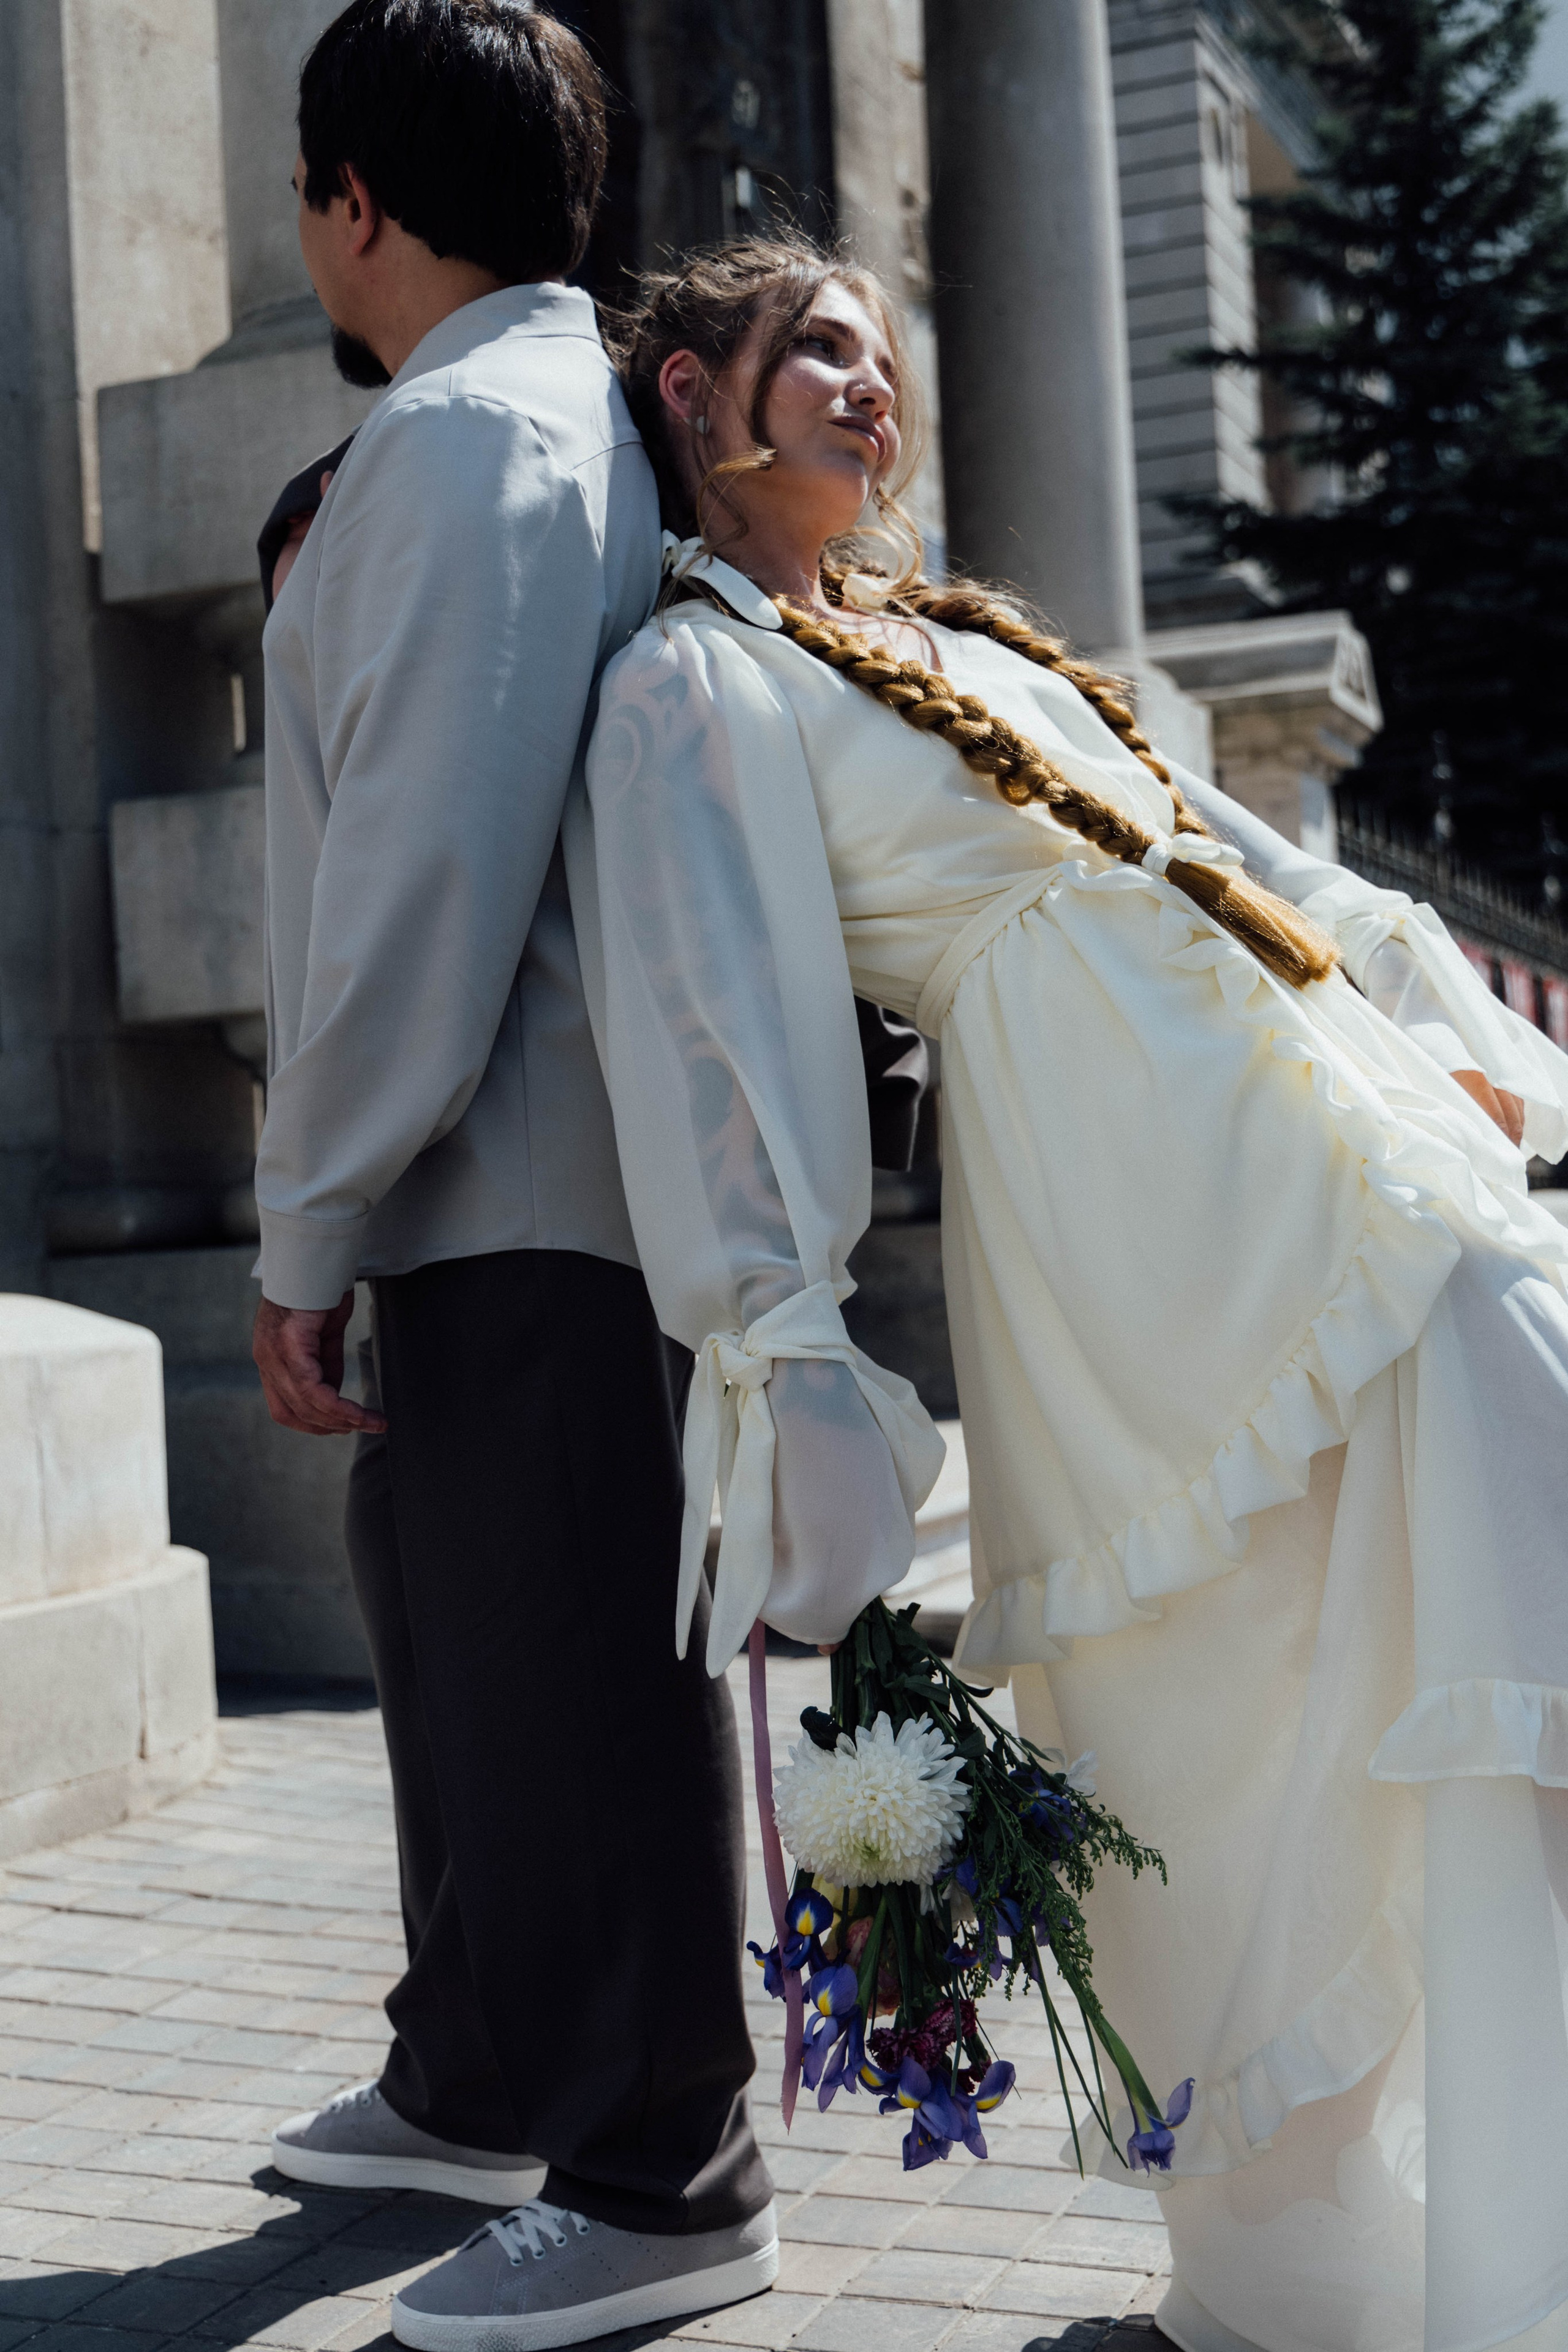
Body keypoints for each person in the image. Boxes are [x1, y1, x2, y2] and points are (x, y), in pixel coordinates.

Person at [565, 235, 1568, 2352]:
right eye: (818, 349)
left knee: (1440, 1550)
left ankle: (1364, 2211)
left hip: (1302, 1117)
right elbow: (716, 1034)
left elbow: (1225, 839)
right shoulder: (698, 681)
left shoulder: (964, 638)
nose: (870, 386)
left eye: (882, 355)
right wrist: (785, 1341)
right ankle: (1278, 2212)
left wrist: (1418, 992)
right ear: (689, 393)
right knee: (1265, 1646)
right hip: (1131, 1201)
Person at [249, 15, 929, 2346]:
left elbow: (414, 881)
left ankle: (665, 2165)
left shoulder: (457, 440)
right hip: (497, 1171)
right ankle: (482, 2070)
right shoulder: (496, 432)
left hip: (512, 1167)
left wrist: (301, 1218)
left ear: (351, 198)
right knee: (464, 1646)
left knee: (566, 1665)